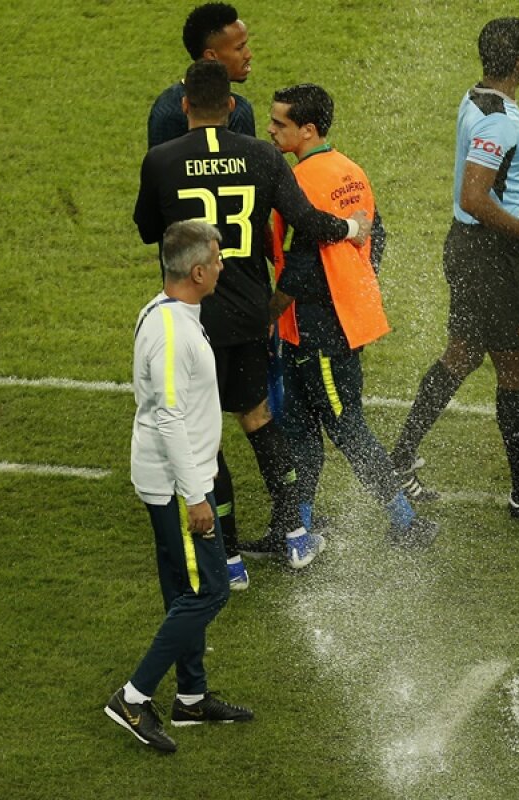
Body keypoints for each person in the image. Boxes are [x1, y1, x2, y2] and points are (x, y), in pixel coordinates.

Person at [134, 60, 371, 589]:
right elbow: (308, 222)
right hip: (246, 313)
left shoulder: (161, 159)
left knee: (202, 437)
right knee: (259, 418)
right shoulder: (262, 155)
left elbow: (149, 229)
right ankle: (293, 534)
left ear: (186, 107)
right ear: (234, 107)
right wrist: (352, 226)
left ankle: (231, 558)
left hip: (189, 317)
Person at [387, 16, 519, 525]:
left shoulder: (477, 96)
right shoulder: (502, 120)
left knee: (462, 353)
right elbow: (474, 197)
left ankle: (398, 461)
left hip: (467, 249)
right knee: (517, 369)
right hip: (492, 257)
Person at [248, 82, 438, 551]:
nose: (270, 130)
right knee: (300, 427)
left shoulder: (303, 180)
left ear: (307, 130)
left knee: (344, 424)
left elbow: (304, 266)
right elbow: (380, 236)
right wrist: (355, 286)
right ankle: (294, 528)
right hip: (336, 318)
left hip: (318, 326)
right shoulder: (350, 170)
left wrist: (270, 313)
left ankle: (406, 521)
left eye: (280, 123)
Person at [105, 220, 254, 753]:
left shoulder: (170, 314)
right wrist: (196, 494)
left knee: (184, 590)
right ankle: (132, 696)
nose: (222, 267)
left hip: (175, 476)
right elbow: (168, 415)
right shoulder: (172, 330)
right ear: (196, 271)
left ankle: (191, 697)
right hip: (176, 483)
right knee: (209, 589)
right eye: (216, 260)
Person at [148, 3, 255, 149]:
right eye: (239, 48)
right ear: (211, 56)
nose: (248, 54)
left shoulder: (165, 106)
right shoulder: (238, 111)